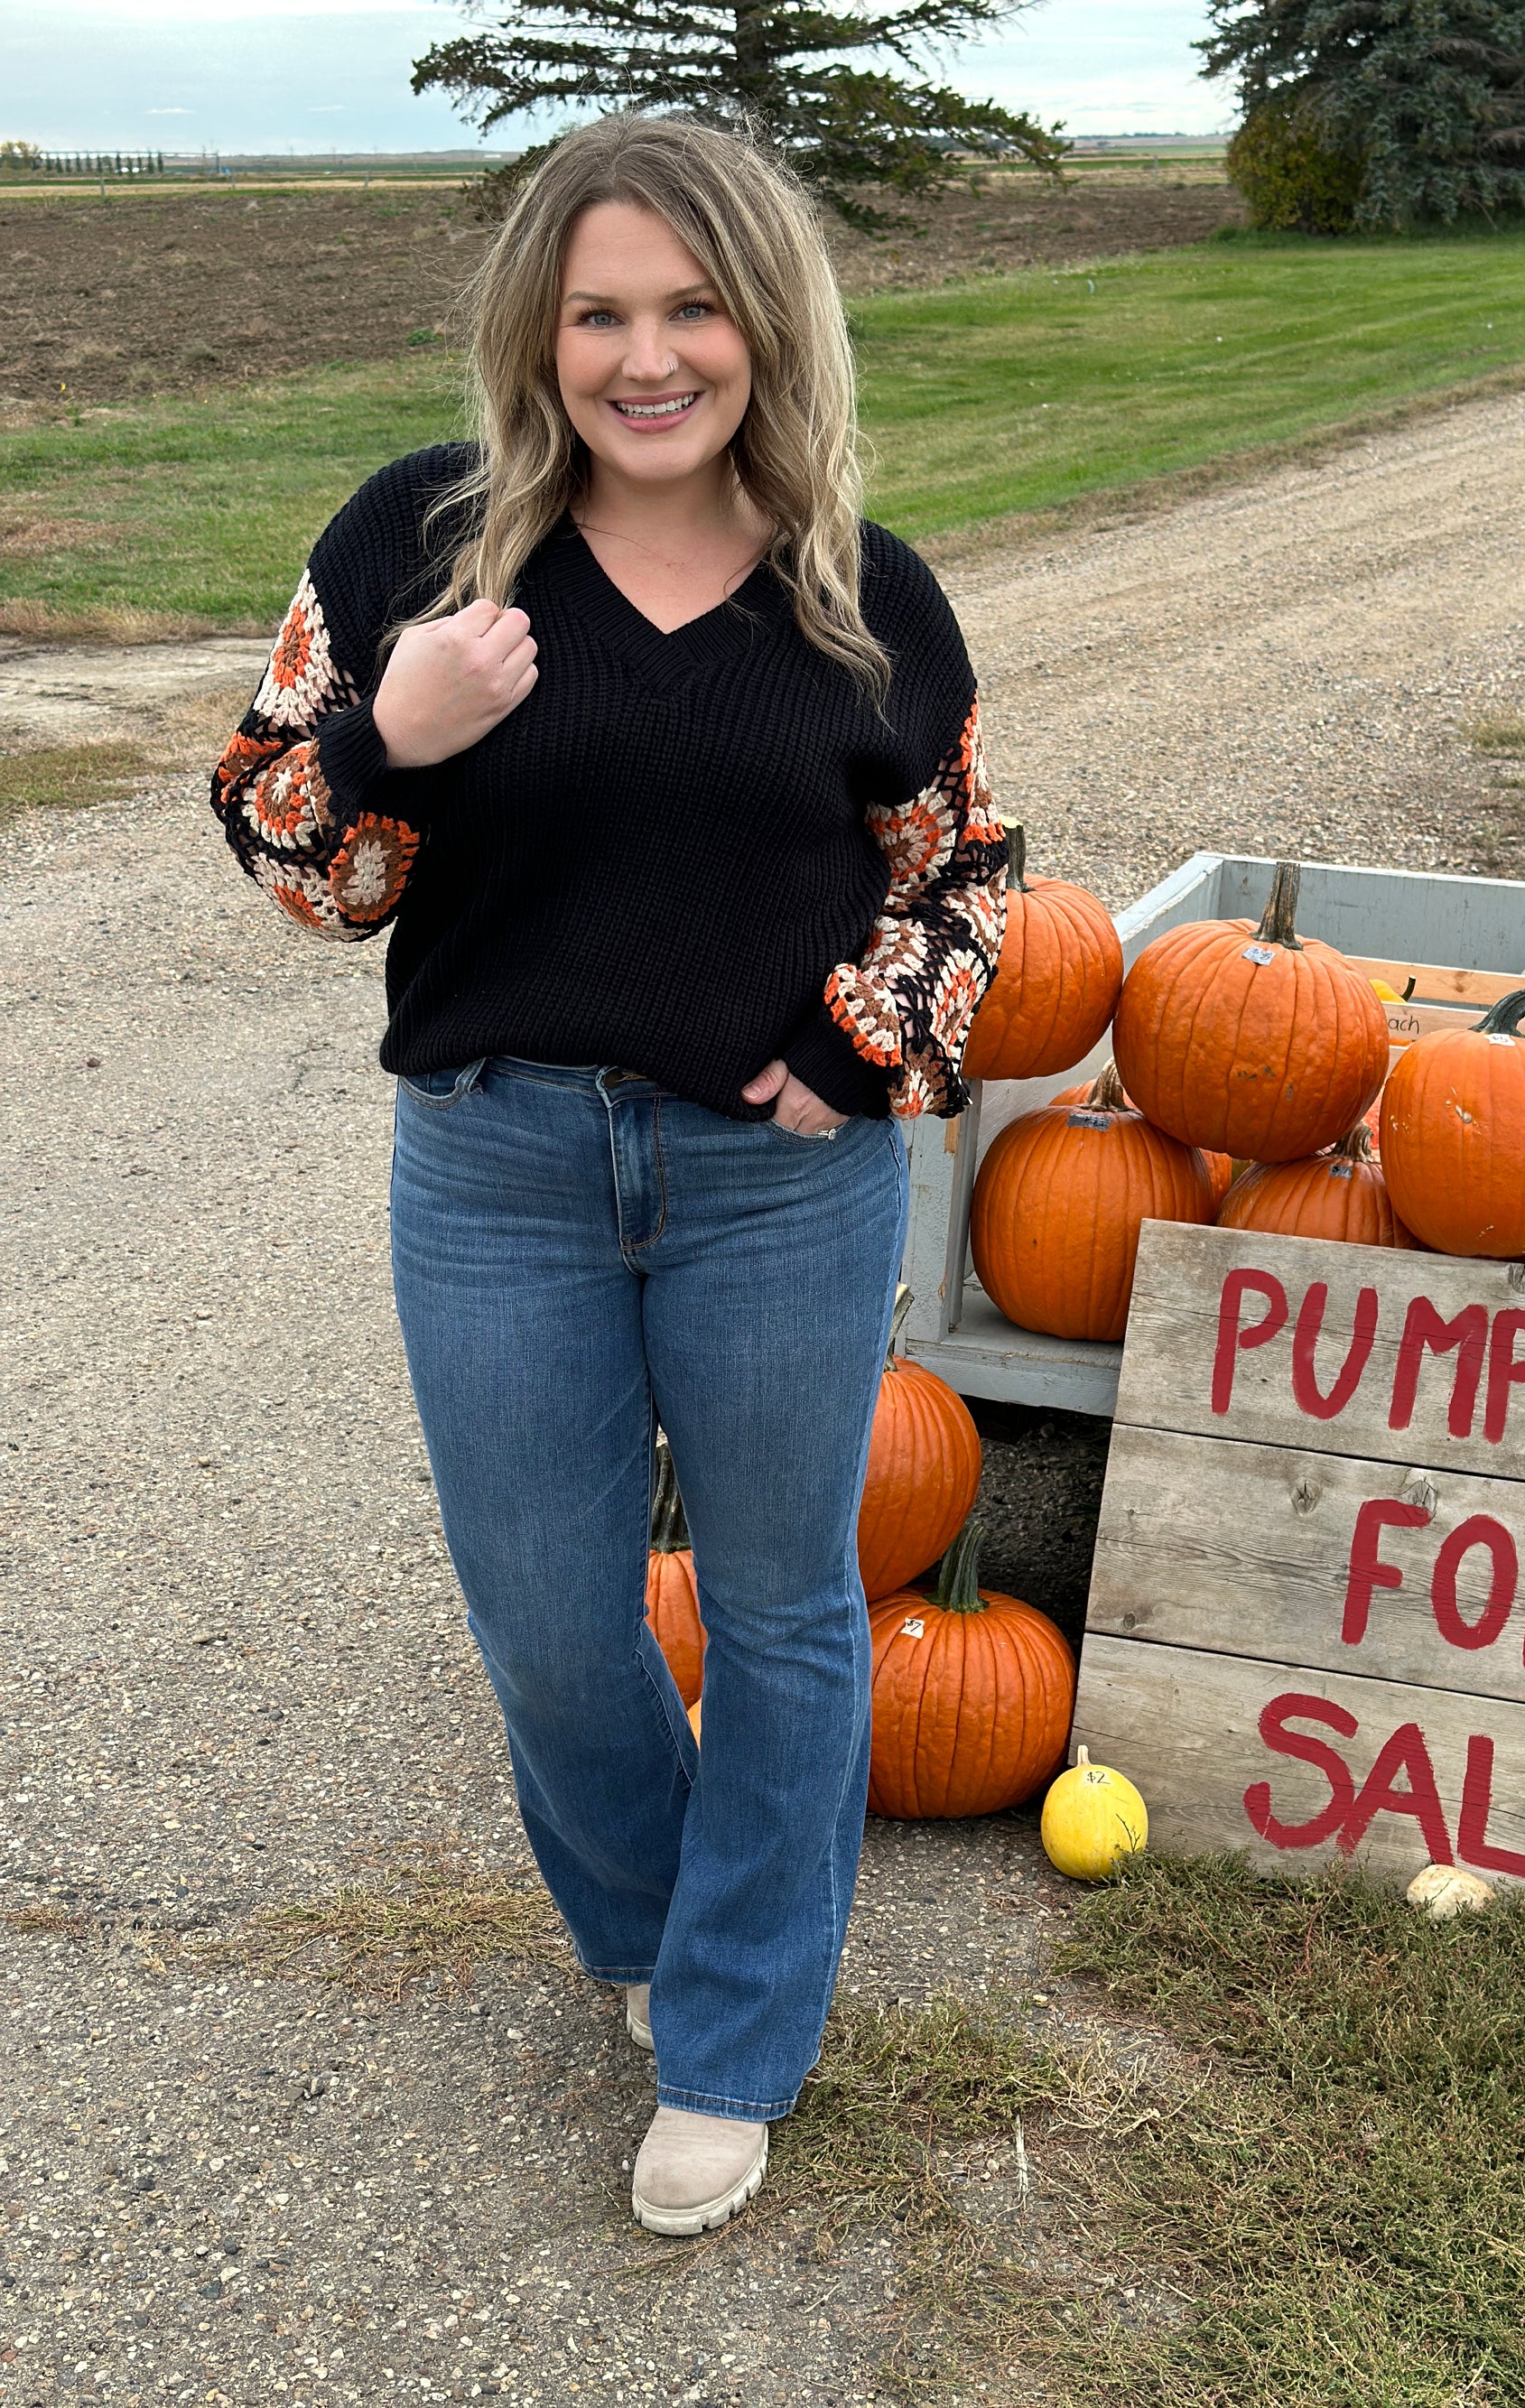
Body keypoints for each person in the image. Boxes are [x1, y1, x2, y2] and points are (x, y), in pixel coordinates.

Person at [209, 110, 1005, 2237]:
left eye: (690, 308)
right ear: (535, 335)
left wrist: (866, 1045)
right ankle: (661, 1909)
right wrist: (395, 731)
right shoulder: (420, 547)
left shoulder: (860, 590)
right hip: (497, 1170)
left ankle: (736, 2024)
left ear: (765, 323)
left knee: (779, 1608)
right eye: (598, 314)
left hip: (775, 1188)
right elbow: (290, 842)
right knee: (554, 1616)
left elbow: (962, 870)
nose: (647, 359)